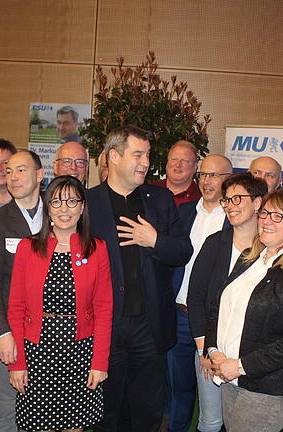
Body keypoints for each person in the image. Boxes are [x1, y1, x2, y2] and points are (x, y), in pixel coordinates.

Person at [86, 125, 192, 431]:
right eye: (138, 154)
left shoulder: (159, 199)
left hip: (150, 325)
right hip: (107, 327)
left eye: (147, 154)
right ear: (114, 157)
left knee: (147, 412)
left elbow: (183, 250)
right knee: (107, 412)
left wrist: (154, 240)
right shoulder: (88, 204)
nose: (146, 162)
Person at [204, 189, 283, 432]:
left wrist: (240, 365)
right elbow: (218, 306)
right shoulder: (249, 258)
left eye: (279, 216)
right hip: (229, 376)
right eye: (265, 213)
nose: (267, 220)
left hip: (269, 388)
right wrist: (213, 349)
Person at [7, 175, 113, 431]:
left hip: (80, 352)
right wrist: (17, 363)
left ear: (82, 207)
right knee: (39, 425)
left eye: (72, 201)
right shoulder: (28, 247)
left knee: (74, 425)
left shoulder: (96, 248)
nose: (64, 209)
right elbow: (16, 307)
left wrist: (100, 363)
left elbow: (104, 309)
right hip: (37, 352)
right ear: (48, 207)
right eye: (56, 202)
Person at [187, 173, 268, 432]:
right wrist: (204, 351)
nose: (230, 205)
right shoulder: (215, 244)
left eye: (237, 198)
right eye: (227, 200)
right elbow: (196, 297)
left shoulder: (272, 249)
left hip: (251, 356)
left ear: (257, 203)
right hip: (210, 351)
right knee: (210, 422)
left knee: (241, 424)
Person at [0, 150, 45, 432]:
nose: (12, 177)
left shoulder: (60, 216)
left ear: (40, 175)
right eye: (10, 171)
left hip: (52, 335)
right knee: (8, 412)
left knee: (46, 411)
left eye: (21, 170)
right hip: (12, 334)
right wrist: (1, 334)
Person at [165, 155, 233, 432]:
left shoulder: (236, 220)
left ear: (229, 180)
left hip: (215, 321)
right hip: (179, 315)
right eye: (203, 174)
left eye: (215, 175)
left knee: (214, 401)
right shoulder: (182, 213)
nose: (207, 180)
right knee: (177, 391)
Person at [151, 140, 200, 206]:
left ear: (195, 167)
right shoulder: (150, 192)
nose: (178, 164)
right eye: (174, 159)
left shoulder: (202, 198)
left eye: (185, 160)